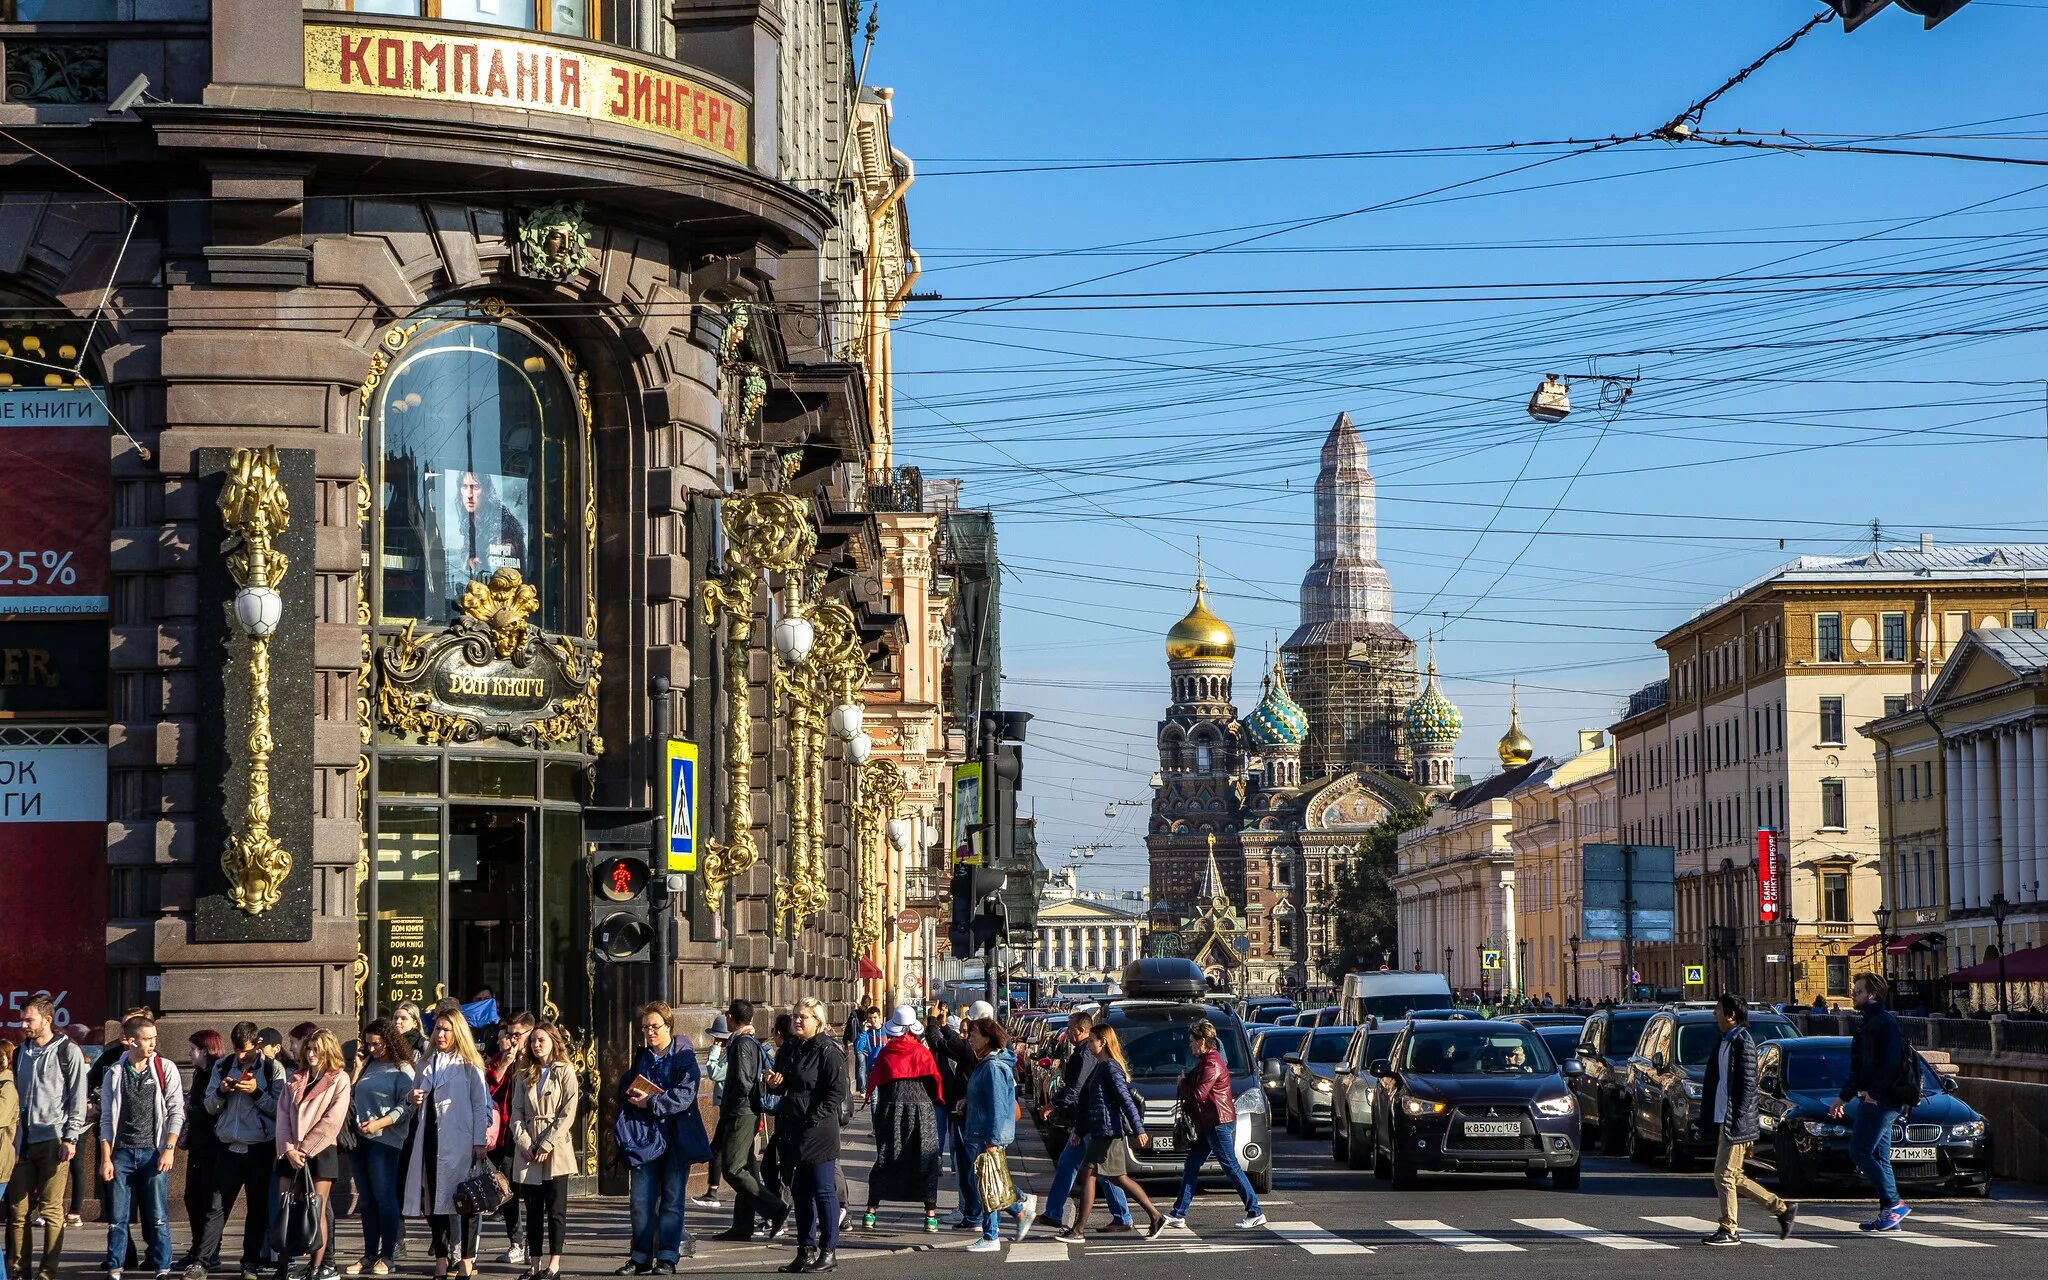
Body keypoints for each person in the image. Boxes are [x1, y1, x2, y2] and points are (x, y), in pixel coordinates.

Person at [613, 1004, 709, 1273]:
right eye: (645, 1027)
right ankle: (640, 1257)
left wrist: (652, 1102)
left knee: (671, 1200)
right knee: (640, 1201)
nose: (650, 1031)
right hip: (644, 1139)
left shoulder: (683, 1056)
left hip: (676, 1139)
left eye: (655, 1026)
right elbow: (627, 1085)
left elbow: (685, 1095)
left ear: (669, 1026)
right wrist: (630, 1093)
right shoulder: (642, 1056)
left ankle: (667, 1257)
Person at [1696, 994, 1795, 1246]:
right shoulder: (1725, 1041)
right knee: (1734, 1176)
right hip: (1725, 1119)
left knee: (1724, 1175)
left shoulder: (1743, 1043)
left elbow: (1748, 1090)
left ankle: (1729, 1229)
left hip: (1735, 1121)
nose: (1714, 1014)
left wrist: (1745, 1129)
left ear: (1731, 1015)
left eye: (1717, 1010)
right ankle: (1782, 1209)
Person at [403, 1008, 493, 1279]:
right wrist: (411, 1097)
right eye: (437, 1029)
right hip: (431, 1137)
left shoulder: (469, 1065)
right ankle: (441, 1258)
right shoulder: (426, 1062)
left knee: (465, 1200)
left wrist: (479, 1141)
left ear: (458, 1032)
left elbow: (480, 1105)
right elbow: (414, 1096)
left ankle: (466, 1259)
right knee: (435, 1202)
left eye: (446, 1029)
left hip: (460, 1140)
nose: (440, 1034)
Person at [4, 995, 88, 1280]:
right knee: (17, 1213)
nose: (23, 1025)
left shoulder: (68, 1052)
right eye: (22, 1019)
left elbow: (78, 1098)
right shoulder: (21, 1052)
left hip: (54, 1140)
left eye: (29, 1020)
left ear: (47, 1020)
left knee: (52, 1212)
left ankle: (47, 1273)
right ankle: (17, 1271)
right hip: (23, 1142)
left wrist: (71, 1138)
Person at [97, 1015, 185, 1280]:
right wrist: (106, 1158)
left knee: (158, 1216)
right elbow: (106, 1119)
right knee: (117, 1219)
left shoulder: (164, 1068)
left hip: (153, 1152)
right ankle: (115, 1268)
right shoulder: (115, 1072)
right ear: (131, 1041)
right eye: (147, 1039)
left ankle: (162, 1268)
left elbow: (176, 1111)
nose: (152, 1044)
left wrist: (169, 1148)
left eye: (154, 1038)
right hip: (121, 1153)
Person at [1829, 972, 1918, 1232]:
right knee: (1880, 1156)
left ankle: (1894, 1204)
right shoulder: (1870, 1022)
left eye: (1857, 991)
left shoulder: (1884, 1022)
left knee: (1860, 1151)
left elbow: (1889, 1064)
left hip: (1881, 1100)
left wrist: (1875, 1093)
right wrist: (1844, 1096)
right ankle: (1889, 1216)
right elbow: (1861, 1068)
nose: (1852, 995)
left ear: (1872, 995)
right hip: (1873, 1096)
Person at [196, 1021, 285, 1280]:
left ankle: (250, 1263)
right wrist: (222, 1092)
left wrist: (256, 1092)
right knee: (216, 1206)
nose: (241, 1056)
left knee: (257, 1208)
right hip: (227, 1147)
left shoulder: (272, 1068)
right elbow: (209, 1106)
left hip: (259, 1147)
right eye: (236, 1050)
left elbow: (280, 1111)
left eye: (245, 1051)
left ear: (257, 1044)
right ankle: (202, 1260)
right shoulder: (223, 1066)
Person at [1160, 1018, 1261, 1233]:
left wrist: (1182, 1084)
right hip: (1208, 1123)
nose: (1190, 1045)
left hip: (1218, 1122)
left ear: (1203, 1041)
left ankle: (1255, 1211)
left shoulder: (1212, 1063)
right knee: (1192, 1165)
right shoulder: (1206, 1061)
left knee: (1230, 1166)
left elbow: (1198, 1094)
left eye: (1192, 1041)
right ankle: (1179, 1213)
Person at [1064, 1024, 1162, 1242]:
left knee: (1089, 1174)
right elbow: (1089, 1103)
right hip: (1102, 1130)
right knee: (1118, 1178)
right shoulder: (1100, 1067)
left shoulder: (1110, 1068)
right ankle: (1155, 1215)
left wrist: (1139, 1129)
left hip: (1108, 1131)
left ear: (1103, 1042)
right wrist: (1079, 1130)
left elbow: (1125, 1099)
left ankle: (1079, 1229)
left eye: (1091, 1041)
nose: (1088, 1045)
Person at [770, 997, 847, 1275]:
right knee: (800, 1192)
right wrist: (774, 1084)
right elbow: (783, 1086)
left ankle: (829, 1251)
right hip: (792, 1128)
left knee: (823, 1190)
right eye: (795, 1016)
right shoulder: (791, 1048)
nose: (798, 1020)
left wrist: (813, 1116)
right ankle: (805, 1250)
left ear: (818, 1021)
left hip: (819, 1130)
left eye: (804, 1016)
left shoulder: (827, 1050)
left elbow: (837, 1092)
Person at [1040, 1014, 1130, 1235]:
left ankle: (1121, 1216)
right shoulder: (1086, 1055)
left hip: (1091, 1124)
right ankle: (1053, 1212)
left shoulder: (1087, 1056)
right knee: (1068, 1164)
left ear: (1080, 1030)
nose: (1067, 1033)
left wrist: (1052, 1104)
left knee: (1103, 1172)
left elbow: (1078, 1091)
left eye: (1070, 1028)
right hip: (1083, 1122)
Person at [273, 1031, 351, 1280]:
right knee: (285, 1205)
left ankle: (316, 1268)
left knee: (316, 1209)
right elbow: (283, 1116)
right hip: (291, 1151)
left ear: (328, 1050)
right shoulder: (295, 1077)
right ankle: (283, 1267)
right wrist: (289, 1150)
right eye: (308, 1049)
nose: (311, 1054)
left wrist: (304, 1150)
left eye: (317, 1049)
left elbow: (333, 1120)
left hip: (320, 1151)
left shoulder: (339, 1079)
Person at [859, 1007, 942, 1233]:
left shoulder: (887, 1052)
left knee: (887, 1157)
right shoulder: (922, 1053)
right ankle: (930, 1215)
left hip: (891, 1109)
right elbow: (934, 1083)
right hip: (921, 1109)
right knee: (925, 1158)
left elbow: (877, 1082)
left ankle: (871, 1211)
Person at [711, 1002, 786, 1243]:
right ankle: (742, 1226)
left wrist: (733, 1100)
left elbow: (743, 1081)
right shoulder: (746, 1041)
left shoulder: (742, 1043)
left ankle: (775, 1207)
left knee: (732, 1169)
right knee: (748, 1168)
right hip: (742, 1110)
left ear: (731, 1018)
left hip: (741, 1112)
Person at [508, 1022, 577, 1280]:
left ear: (553, 1041)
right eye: (533, 1040)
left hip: (556, 1148)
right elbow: (516, 1112)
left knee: (556, 1210)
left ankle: (554, 1264)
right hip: (528, 1148)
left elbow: (568, 1112)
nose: (536, 1045)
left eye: (541, 1040)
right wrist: (524, 1142)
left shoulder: (565, 1070)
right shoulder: (523, 1074)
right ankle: (534, 1264)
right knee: (533, 1211)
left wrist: (547, 1144)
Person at [961, 1018, 1036, 1254]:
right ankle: (1020, 1210)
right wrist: (967, 1101)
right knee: (989, 1182)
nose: (969, 1038)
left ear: (988, 1038)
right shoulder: (986, 1063)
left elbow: (998, 1105)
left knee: (987, 1185)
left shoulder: (992, 1066)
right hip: (980, 1132)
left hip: (985, 1135)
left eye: (973, 1034)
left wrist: (993, 1140)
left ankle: (991, 1235)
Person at [347, 1020, 415, 1277]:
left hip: (385, 1140)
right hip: (359, 1139)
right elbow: (351, 1097)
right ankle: (369, 1254)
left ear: (390, 1040)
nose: (372, 1048)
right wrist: (356, 1072)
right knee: (366, 1200)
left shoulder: (403, 1069)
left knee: (384, 1197)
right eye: (368, 1043)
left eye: (377, 1043)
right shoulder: (370, 1065)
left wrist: (379, 1122)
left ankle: (387, 1255)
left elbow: (407, 1107)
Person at [175, 1031, 225, 1280]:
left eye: (193, 1049)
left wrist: (191, 1111)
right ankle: (199, 1248)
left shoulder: (217, 1071)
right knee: (192, 1197)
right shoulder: (199, 1072)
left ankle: (209, 1253)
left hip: (213, 1146)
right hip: (198, 1144)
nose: (189, 1053)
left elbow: (211, 1109)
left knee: (208, 1201)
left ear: (204, 1050)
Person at [486, 1014, 534, 1266]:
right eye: (509, 1034)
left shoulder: (537, 1060)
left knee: (533, 1191)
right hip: (505, 1134)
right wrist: (505, 1063)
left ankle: (533, 1246)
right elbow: (488, 1087)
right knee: (507, 1189)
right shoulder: (501, 1059)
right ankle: (516, 1242)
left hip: (531, 1135)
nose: (512, 1040)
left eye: (517, 1035)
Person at [692, 1018, 731, 1213]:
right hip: (727, 1105)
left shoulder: (733, 1052)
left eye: (717, 1038)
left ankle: (713, 1192)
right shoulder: (731, 1051)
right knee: (719, 1150)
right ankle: (712, 1191)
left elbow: (714, 1072)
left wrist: (714, 1050)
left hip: (732, 1107)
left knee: (717, 1150)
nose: (716, 1040)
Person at [851, 1012, 884, 1095]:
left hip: (885, 1068)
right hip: (872, 1068)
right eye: (870, 1018)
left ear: (879, 1017)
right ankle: (863, 1089)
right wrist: (863, 1032)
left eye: (875, 1017)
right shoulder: (867, 1032)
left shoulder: (886, 1030)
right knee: (874, 1098)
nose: (872, 1020)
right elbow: (858, 1048)